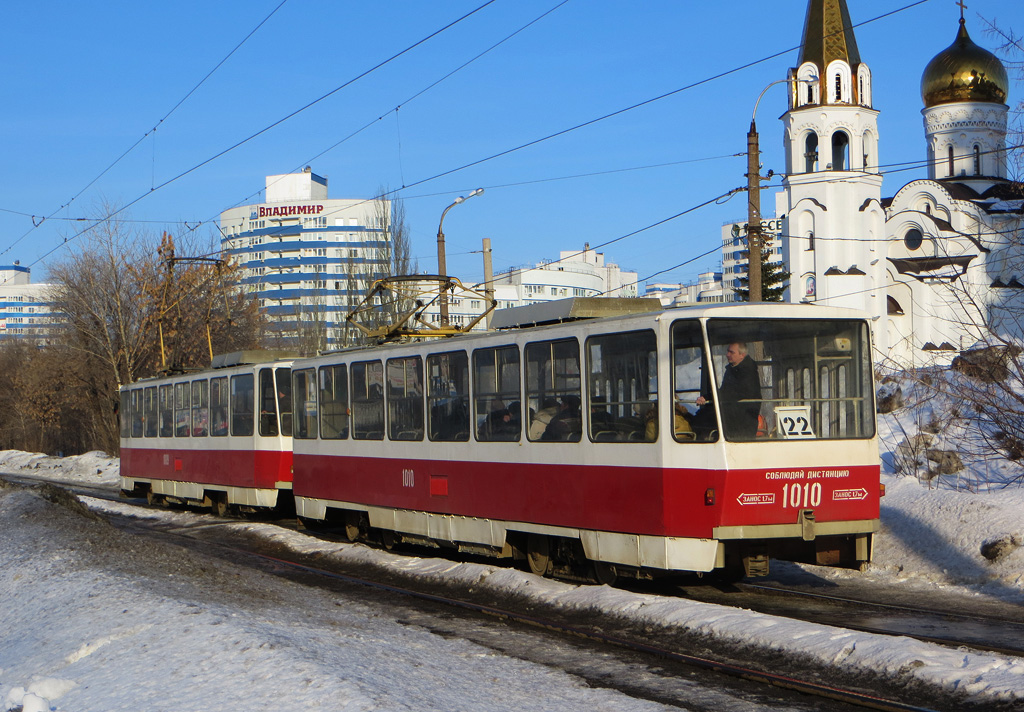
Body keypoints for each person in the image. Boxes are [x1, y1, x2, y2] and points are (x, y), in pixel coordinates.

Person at [694, 342, 761, 440]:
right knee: (700, 417)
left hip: (742, 419)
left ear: (742, 355)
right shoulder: (732, 369)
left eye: (731, 352)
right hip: (732, 413)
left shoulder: (748, 371)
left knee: (702, 419)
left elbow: (734, 393)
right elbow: (725, 391)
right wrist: (707, 398)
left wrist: (709, 397)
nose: (727, 354)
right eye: (727, 351)